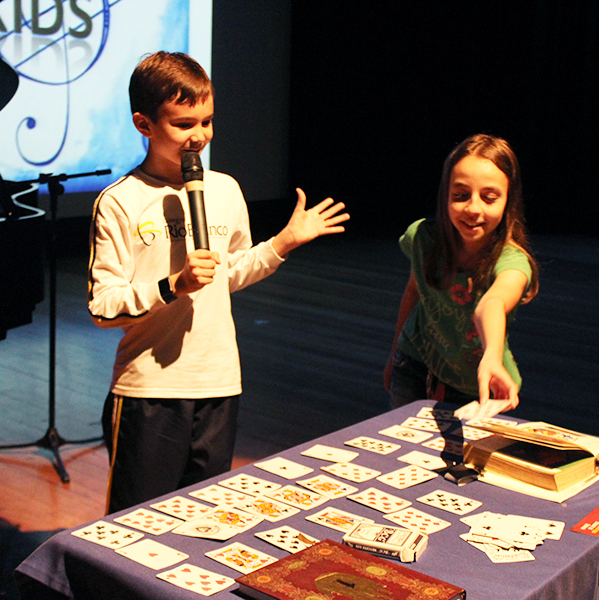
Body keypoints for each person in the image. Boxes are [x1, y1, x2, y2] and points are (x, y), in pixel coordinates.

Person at [88, 51, 349, 513]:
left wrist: (283, 242)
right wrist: (172, 285)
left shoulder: (225, 189)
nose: (200, 136)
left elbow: (229, 273)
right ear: (144, 124)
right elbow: (103, 306)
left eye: (207, 122)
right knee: (137, 521)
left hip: (219, 384)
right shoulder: (120, 201)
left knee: (202, 520)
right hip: (150, 390)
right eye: (184, 124)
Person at [383, 134, 538, 411]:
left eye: (489, 198)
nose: (473, 208)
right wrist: (393, 355)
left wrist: (492, 358)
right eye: (460, 195)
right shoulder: (422, 238)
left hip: (476, 384)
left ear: (508, 200)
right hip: (413, 363)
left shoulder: (513, 262)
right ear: (445, 195)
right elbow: (413, 291)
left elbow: (491, 304)